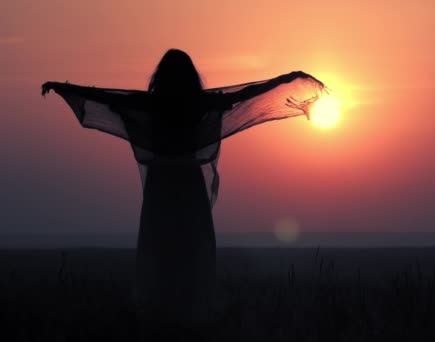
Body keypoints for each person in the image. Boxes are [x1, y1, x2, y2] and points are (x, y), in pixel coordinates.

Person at [41, 48, 325, 337]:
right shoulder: (198, 104)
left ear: (160, 77)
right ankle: (185, 315)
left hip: (163, 186)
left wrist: (64, 88)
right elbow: (247, 95)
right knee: (190, 248)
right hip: (187, 185)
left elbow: (107, 98)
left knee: (163, 248)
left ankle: (164, 315)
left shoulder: (152, 104)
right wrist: (288, 79)